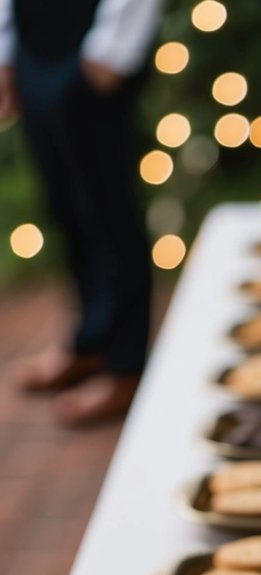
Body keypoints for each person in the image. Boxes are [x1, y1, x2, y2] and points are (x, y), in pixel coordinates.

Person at [0, 0, 164, 425]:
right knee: (63, 204)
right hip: (32, 43)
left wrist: (114, 46)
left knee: (108, 210)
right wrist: (5, 47)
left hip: (94, 43)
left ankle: (126, 366)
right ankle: (90, 342)